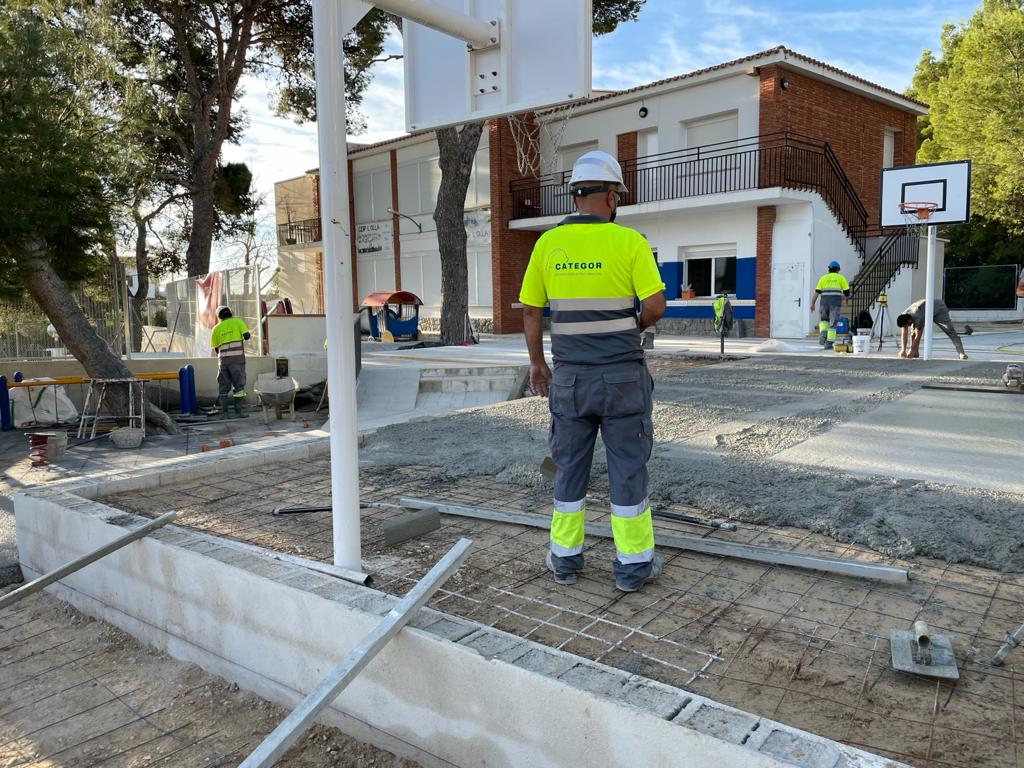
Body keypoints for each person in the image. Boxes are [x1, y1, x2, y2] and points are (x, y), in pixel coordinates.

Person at [519, 150, 667, 593]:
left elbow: (530, 311)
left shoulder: (547, 245)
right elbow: (656, 305)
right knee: (627, 469)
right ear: (609, 196)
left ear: (574, 195)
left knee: (568, 468)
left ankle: (564, 560)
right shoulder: (629, 242)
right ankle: (633, 567)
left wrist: (537, 364)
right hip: (622, 377)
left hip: (570, 379)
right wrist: (630, 327)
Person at [210, 306, 251, 416]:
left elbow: (216, 349)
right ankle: (238, 412)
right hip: (238, 360)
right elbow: (247, 336)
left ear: (219, 317)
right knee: (239, 386)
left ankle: (225, 413)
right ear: (230, 313)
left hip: (223, 361)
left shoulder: (216, 328)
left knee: (223, 387)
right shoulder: (238, 322)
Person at [896, 298, 968, 360]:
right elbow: (904, 333)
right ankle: (915, 353)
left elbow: (918, 336)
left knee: (950, 331)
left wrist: (911, 349)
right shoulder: (904, 316)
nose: (906, 328)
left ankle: (961, 353)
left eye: (906, 326)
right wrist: (903, 350)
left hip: (938, 309)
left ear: (909, 321)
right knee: (912, 334)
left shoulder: (918, 317)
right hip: (923, 310)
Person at [809, 261, 850, 350]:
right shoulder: (841, 278)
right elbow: (847, 291)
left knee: (824, 321)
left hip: (824, 303)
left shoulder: (823, 278)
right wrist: (846, 299)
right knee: (833, 324)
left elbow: (817, 292)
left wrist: (812, 303)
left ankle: (823, 335)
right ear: (838, 269)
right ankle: (829, 343)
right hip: (835, 303)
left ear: (829, 269)